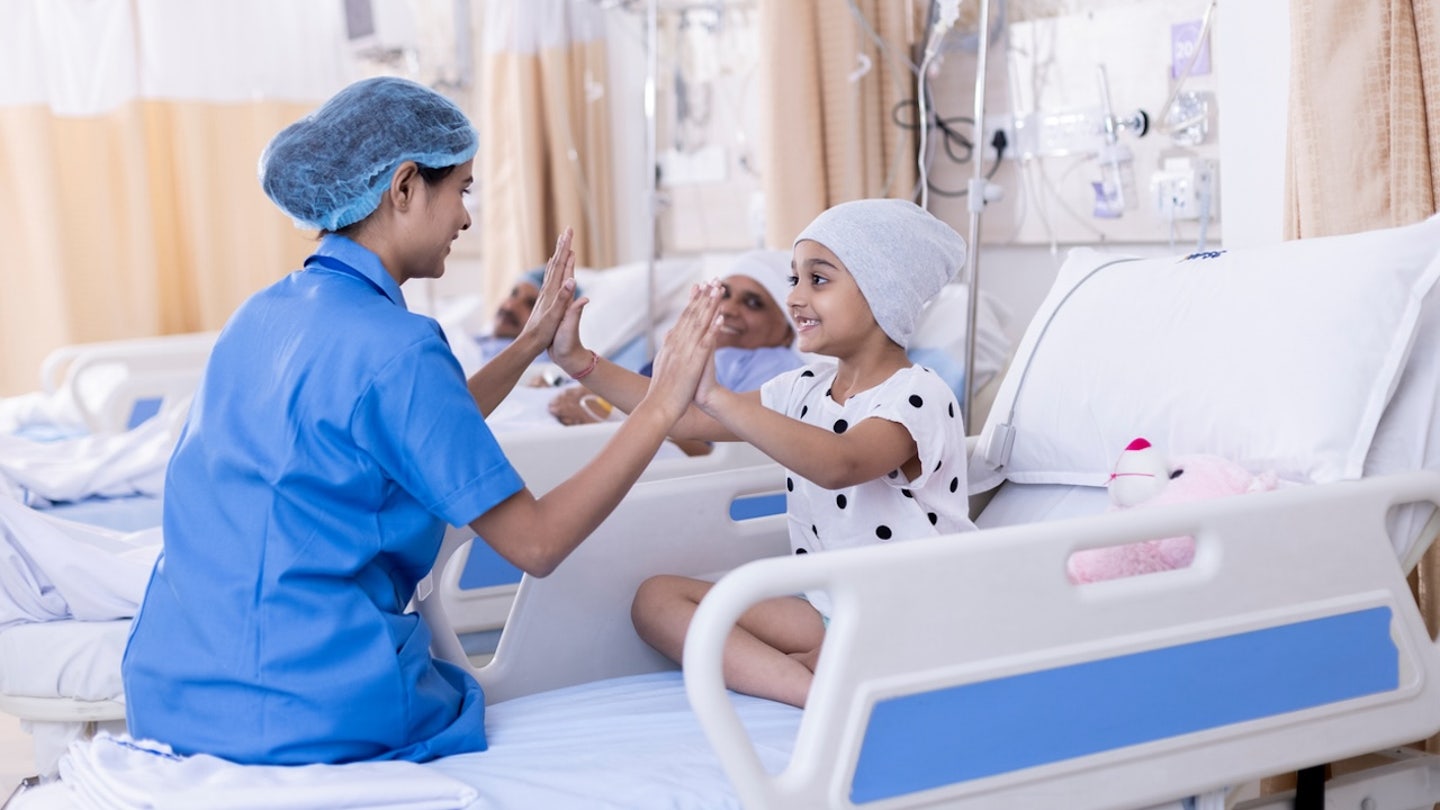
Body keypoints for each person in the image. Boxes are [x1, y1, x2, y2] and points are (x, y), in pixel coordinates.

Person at [120, 76, 722, 766]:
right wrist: (662, 403)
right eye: (462, 190)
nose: (467, 218)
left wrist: (529, 346)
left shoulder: (262, 315)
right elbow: (536, 545)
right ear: (404, 187)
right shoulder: (398, 345)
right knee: (453, 696)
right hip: (309, 707)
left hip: (174, 692)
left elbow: (414, 424)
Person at [549, 198, 977, 709]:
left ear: (885, 292)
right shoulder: (803, 388)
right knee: (656, 601)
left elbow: (841, 464)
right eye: (793, 279)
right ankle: (815, 685)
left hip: (910, 613)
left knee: (743, 620)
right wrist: (580, 362)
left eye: (818, 280)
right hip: (828, 608)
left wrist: (717, 397)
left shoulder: (918, 395)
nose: (795, 297)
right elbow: (678, 416)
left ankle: (816, 683)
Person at [545, 251, 804, 455]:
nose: (728, 309)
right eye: (724, 294)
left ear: (787, 328)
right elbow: (650, 389)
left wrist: (609, 425)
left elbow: (717, 451)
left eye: (753, 303)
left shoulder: (775, 369)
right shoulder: (697, 350)